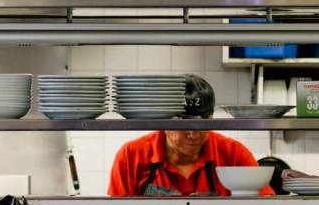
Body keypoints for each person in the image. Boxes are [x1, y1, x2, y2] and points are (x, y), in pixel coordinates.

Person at [107, 75, 274, 197]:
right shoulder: (130, 156)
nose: (194, 135)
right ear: (164, 121)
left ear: (211, 119)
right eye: (184, 126)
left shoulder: (234, 154)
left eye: (203, 125)